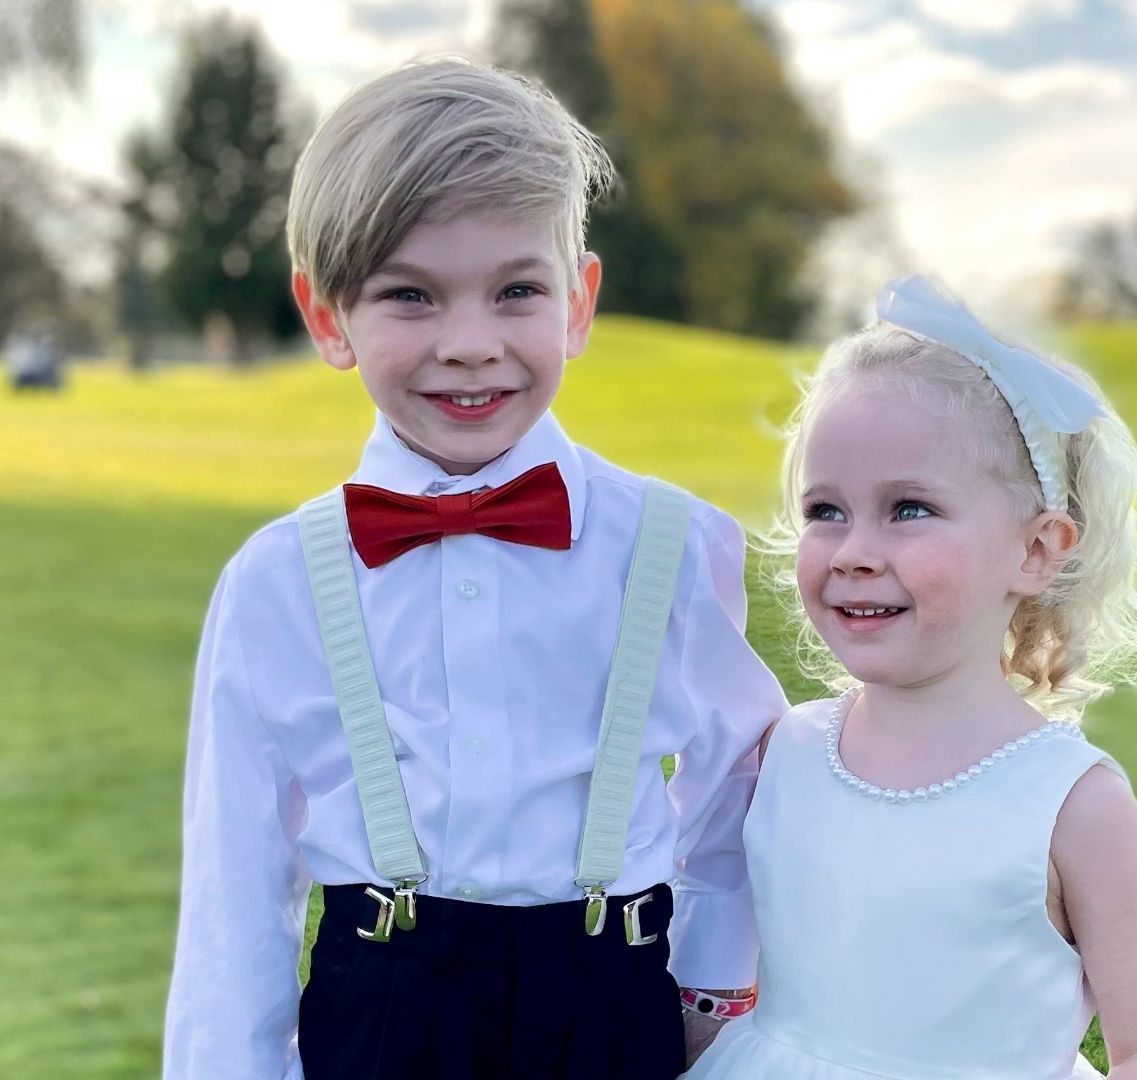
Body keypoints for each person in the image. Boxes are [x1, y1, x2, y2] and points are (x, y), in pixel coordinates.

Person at [159, 58, 786, 1079]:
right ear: (328, 319)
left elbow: (737, 784)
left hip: (613, 1010)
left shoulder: (673, 546)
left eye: (516, 292)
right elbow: (236, 879)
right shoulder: (276, 581)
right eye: (410, 296)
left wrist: (711, 994)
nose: (469, 343)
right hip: (381, 1015)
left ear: (577, 304)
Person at [685, 275, 1137, 1079]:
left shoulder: (1073, 803)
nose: (853, 549)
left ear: (1035, 550)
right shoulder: (783, 748)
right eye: (826, 510)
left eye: (909, 508)